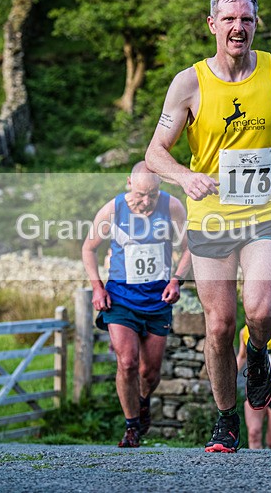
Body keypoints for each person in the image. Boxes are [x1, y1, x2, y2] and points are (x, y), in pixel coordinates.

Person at [145, 0, 271, 453]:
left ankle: (262, 354)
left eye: (245, 19)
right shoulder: (189, 83)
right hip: (212, 217)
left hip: (268, 210)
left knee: (261, 310)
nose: (237, 27)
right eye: (228, 19)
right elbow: (155, 152)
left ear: (255, 24)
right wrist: (185, 178)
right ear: (212, 26)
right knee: (221, 325)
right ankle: (226, 421)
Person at [81, 161, 192, 448]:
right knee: (127, 362)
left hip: (158, 300)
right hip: (120, 298)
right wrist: (97, 286)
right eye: (141, 194)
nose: (146, 202)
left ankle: (143, 401)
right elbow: (89, 248)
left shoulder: (172, 207)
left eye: (152, 195)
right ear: (129, 183)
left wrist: (176, 280)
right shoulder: (113, 210)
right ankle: (131, 427)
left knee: (149, 372)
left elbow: (189, 248)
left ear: (160, 189)